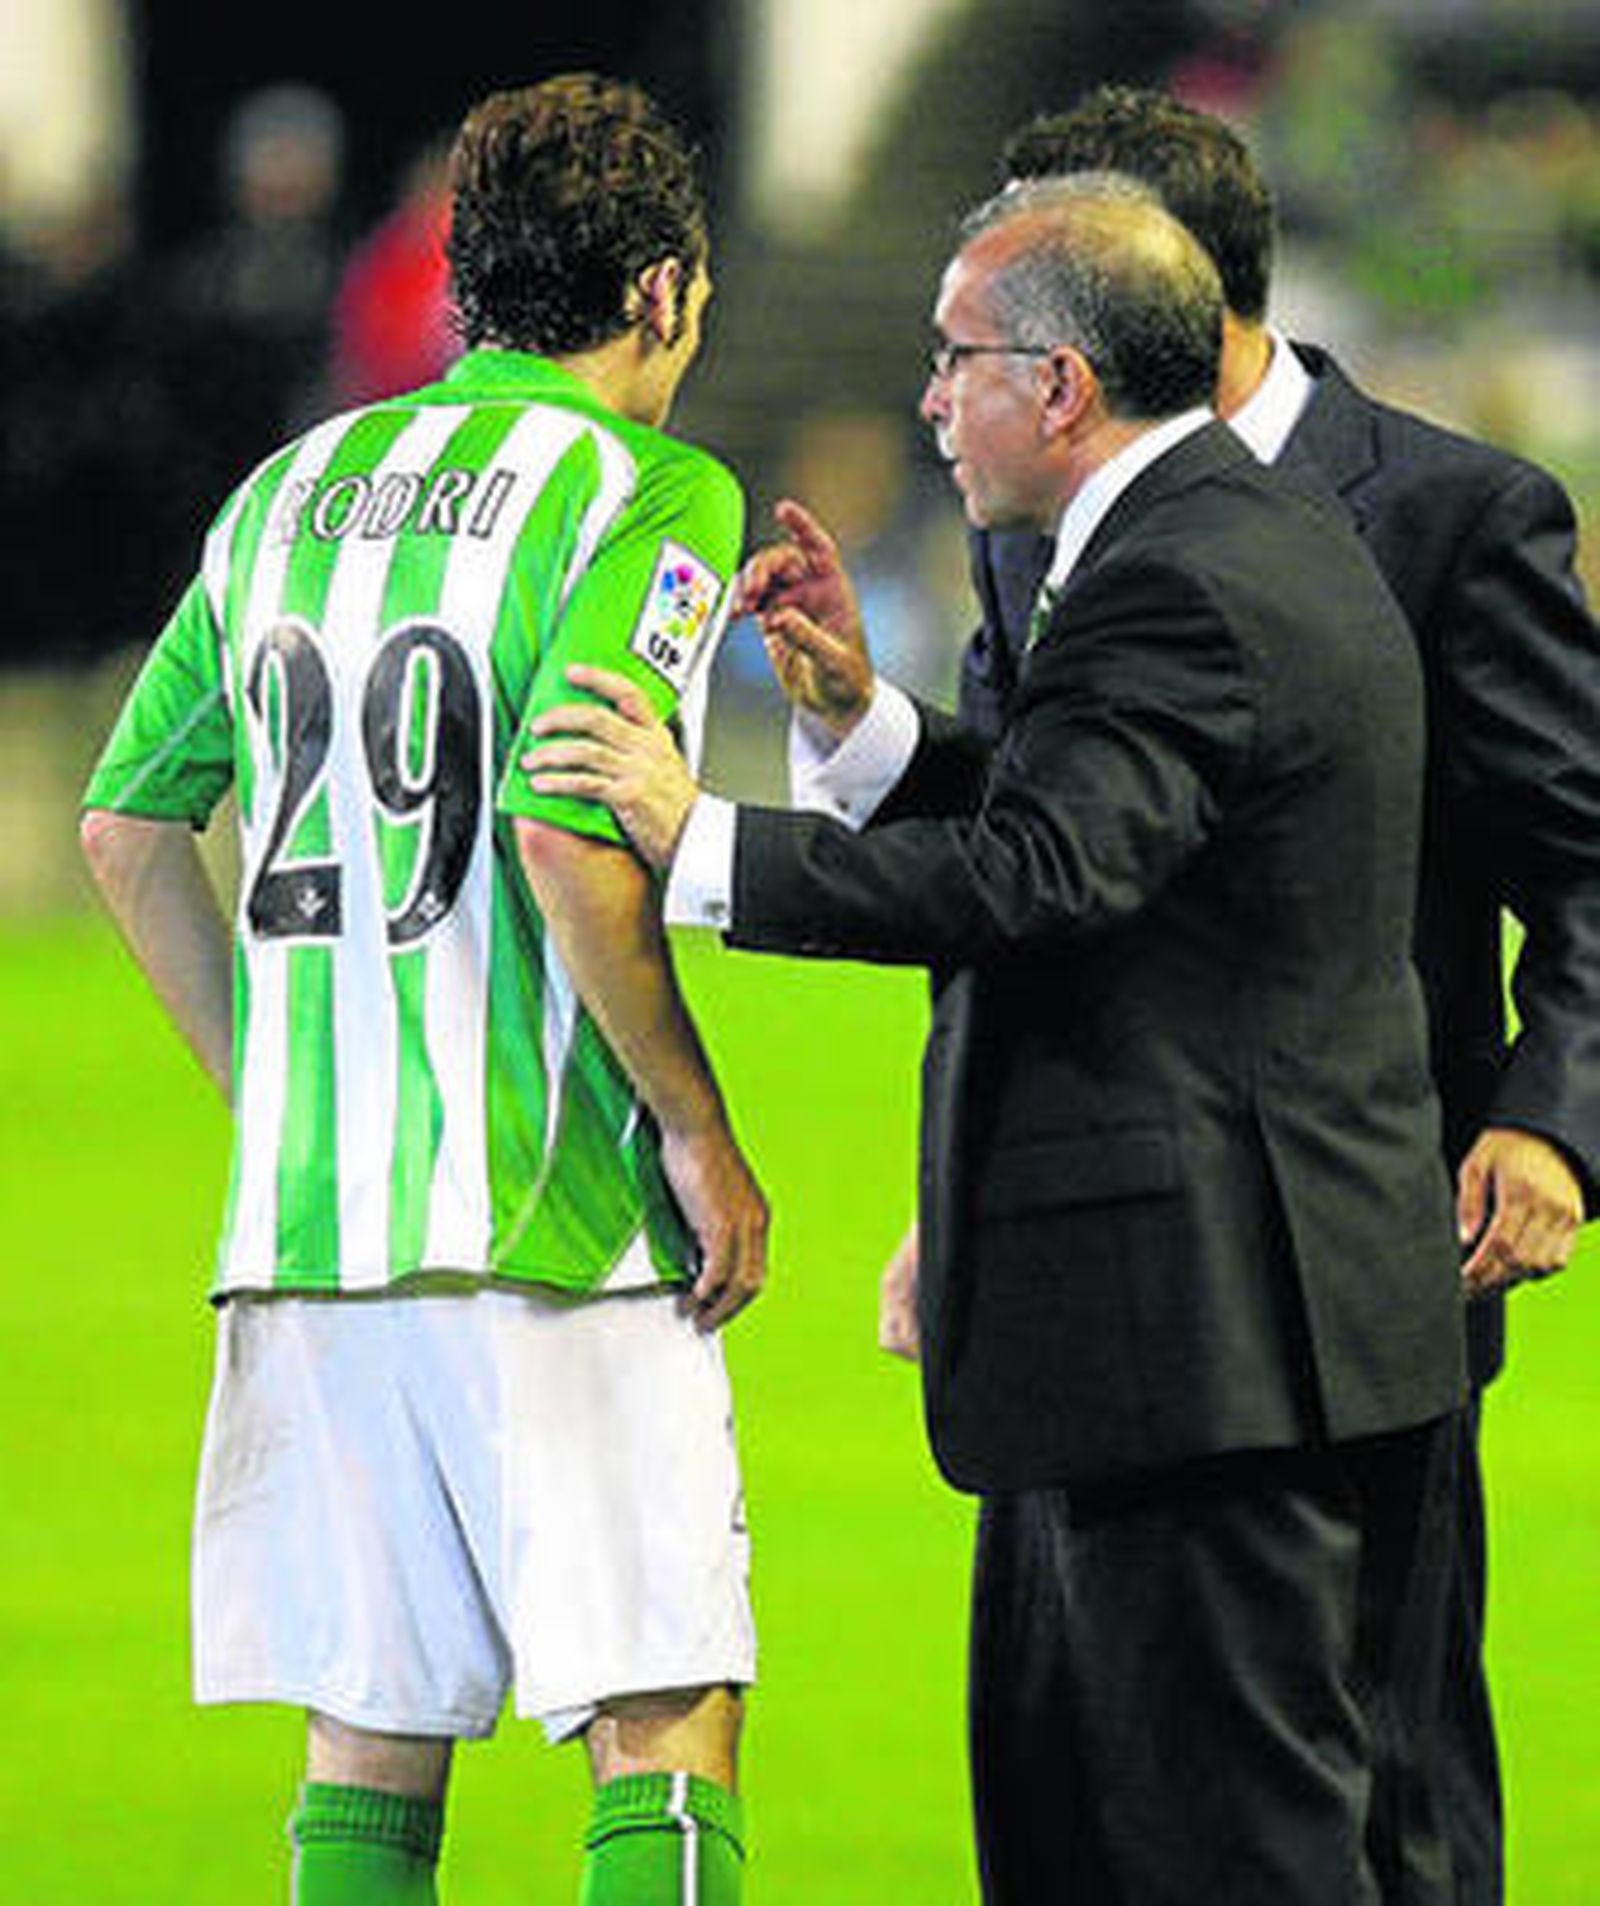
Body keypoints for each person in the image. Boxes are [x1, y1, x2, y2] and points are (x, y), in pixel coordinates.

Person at [524, 177, 1468, 1903]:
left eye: (955, 359)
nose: (928, 397)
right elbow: (1106, 816)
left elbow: (1051, 871)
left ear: (1061, 385)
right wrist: (862, 721)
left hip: (1206, 1348)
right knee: (1100, 1837)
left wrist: (698, 835)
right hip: (1169, 1338)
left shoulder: (1180, 578)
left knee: (1221, 1856)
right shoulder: (1201, 543)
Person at [79, 74, 765, 1906]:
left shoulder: (286, 490)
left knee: (370, 1749)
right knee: (664, 1713)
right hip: (555, 1208)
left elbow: (127, 831)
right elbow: (567, 831)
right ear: (667, 295)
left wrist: (277, 1091)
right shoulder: (654, 490)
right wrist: (699, 1133)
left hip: (315, 1230)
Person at [953, 86, 1600, 1906]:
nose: (990, 358)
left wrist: (1551, 1111)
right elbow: (1040, 862)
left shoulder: (1456, 517)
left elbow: (1589, 855)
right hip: (1083, 1261)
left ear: (1161, 290)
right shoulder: (1038, 522)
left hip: (1349, 1257)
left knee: (1364, 1793)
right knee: (1067, 1782)